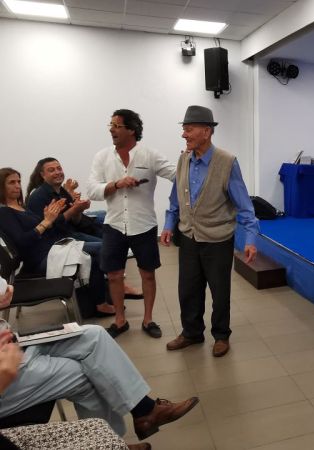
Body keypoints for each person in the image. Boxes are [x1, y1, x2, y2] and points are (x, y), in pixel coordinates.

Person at [0, 279, 198, 445]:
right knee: (86, 374)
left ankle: (143, 411)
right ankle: (120, 436)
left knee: (94, 334)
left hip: (10, 341)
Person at [160, 106, 259, 357]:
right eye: (184, 129)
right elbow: (175, 198)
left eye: (189, 129)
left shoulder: (227, 162)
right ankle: (192, 333)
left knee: (219, 291)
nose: (184, 134)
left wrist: (250, 239)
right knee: (188, 290)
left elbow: (245, 206)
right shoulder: (183, 159)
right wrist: (169, 225)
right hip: (189, 237)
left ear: (206, 131)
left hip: (218, 240)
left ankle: (221, 335)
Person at [88, 109, 176, 339]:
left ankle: (148, 320)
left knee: (148, 274)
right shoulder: (102, 157)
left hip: (144, 224)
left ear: (132, 130)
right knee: (114, 275)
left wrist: (191, 161)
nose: (111, 130)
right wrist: (116, 184)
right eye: (111, 125)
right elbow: (92, 190)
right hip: (114, 224)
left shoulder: (150, 155)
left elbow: (176, 175)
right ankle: (120, 320)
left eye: (117, 126)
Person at [0, 168, 114, 318]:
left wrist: (50, 218)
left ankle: (97, 301)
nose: (17, 186)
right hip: (39, 259)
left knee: (97, 252)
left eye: (18, 181)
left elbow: (41, 229)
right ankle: (101, 301)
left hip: (52, 249)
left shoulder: (21, 207)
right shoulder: (4, 212)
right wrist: (46, 222)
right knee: (100, 248)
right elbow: (22, 242)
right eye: (11, 182)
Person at [26, 157, 143, 299]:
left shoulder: (61, 191)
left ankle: (112, 285)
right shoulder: (38, 197)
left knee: (110, 241)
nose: (57, 172)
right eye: (51, 170)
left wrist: (78, 209)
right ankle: (116, 287)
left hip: (69, 234)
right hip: (56, 243)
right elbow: (50, 227)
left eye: (59, 168)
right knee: (107, 247)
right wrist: (73, 210)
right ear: (42, 175)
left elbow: (75, 221)